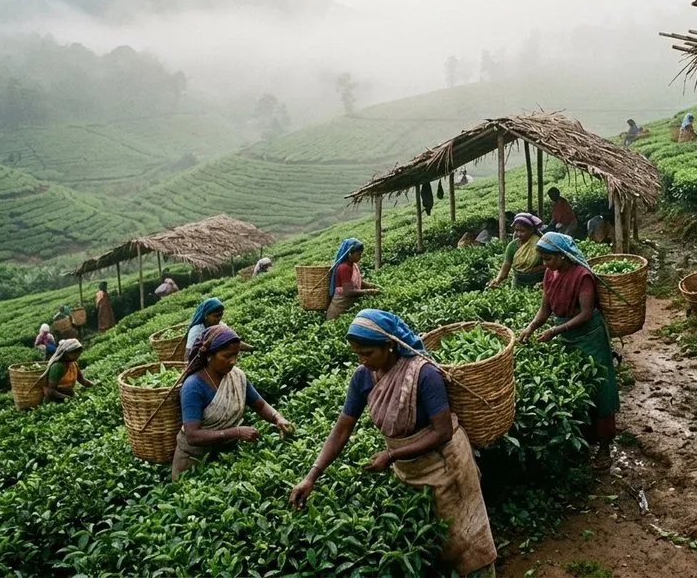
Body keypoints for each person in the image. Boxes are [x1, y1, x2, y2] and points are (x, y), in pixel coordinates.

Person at [288, 309, 497, 575]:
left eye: (368, 353)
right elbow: (342, 428)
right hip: (408, 467)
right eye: (357, 354)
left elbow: (442, 431)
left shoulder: (423, 374)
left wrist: (391, 456)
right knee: (431, 538)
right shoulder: (362, 377)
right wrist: (312, 475)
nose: (363, 360)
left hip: (447, 464)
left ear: (389, 346)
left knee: (466, 535)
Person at [518, 232, 619, 470]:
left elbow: (585, 313)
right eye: (542, 259)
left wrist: (555, 331)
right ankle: (584, 440)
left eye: (549, 259)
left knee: (600, 387)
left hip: (590, 337)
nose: (545, 264)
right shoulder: (549, 274)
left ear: (563, 256)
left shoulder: (582, 275)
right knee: (577, 386)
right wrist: (531, 327)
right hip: (565, 334)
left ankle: (605, 446)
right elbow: (545, 309)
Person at [172, 324, 292, 479]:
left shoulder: (237, 376)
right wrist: (236, 432)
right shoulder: (193, 386)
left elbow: (260, 404)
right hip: (193, 463)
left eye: (236, 355)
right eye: (227, 356)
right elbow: (192, 436)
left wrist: (277, 418)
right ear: (209, 355)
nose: (233, 361)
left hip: (225, 455)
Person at [327, 238, 381, 320]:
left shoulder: (353, 265)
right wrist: (368, 291)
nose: (360, 257)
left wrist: (371, 286)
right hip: (338, 311)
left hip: (348, 308)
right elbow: (348, 292)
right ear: (349, 254)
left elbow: (357, 282)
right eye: (358, 254)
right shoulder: (343, 268)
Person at [488, 213, 545, 289]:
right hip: (518, 284)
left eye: (522, 231)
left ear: (531, 230)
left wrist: (534, 270)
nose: (518, 234)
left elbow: (550, 264)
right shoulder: (512, 246)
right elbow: (506, 266)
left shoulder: (540, 244)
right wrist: (497, 280)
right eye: (516, 231)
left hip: (538, 283)